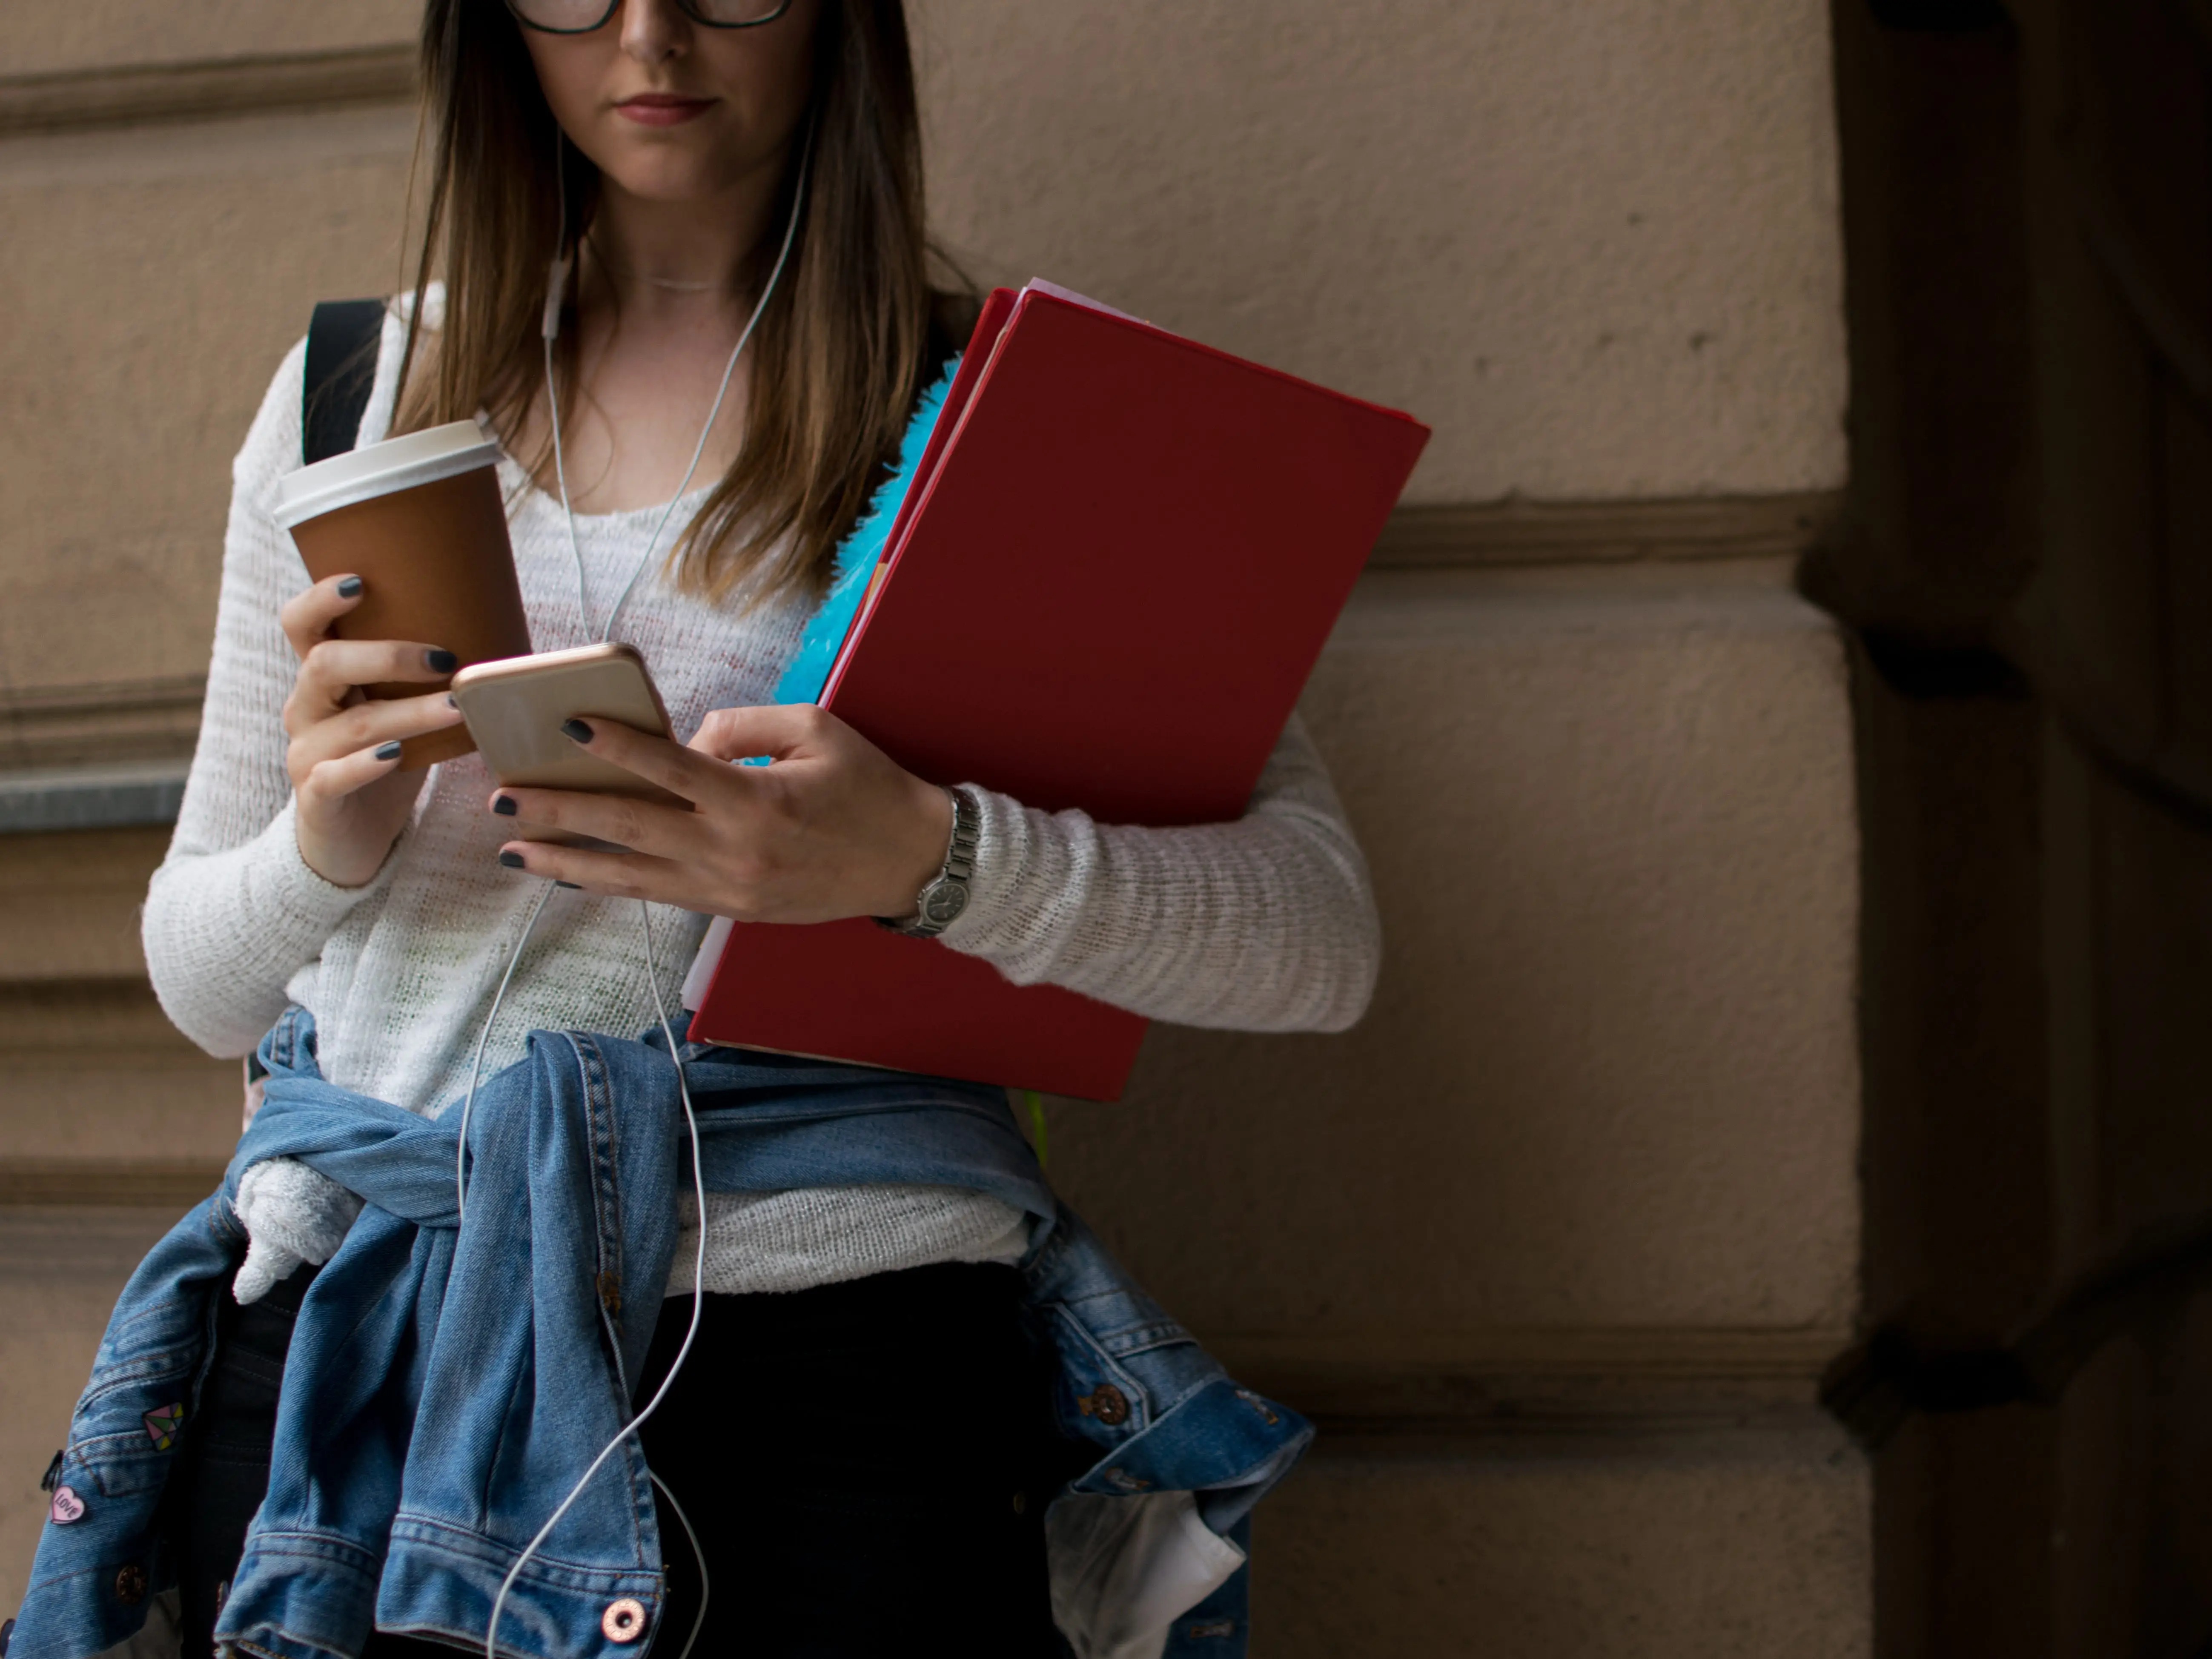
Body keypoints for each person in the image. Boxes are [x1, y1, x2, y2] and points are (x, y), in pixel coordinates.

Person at [79, 1, 1378, 1654]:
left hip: (827, 1384)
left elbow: (1321, 935)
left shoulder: (1005, 408)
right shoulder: (355, 386)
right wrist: (330, 837)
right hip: (360, 1344)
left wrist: (925, 859)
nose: (650, 30)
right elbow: (202, 984)